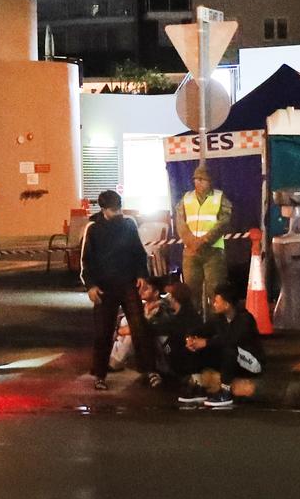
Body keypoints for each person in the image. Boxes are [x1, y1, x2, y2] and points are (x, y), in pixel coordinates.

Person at [81, 190, 158, 390]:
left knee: (139, 326)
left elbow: (138, 253)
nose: (117, 213)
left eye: (118, 208)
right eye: (113, 210)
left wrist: (141, 275)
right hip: (105, 288)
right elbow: (86, 261)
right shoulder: (93, 228)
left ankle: (149, 370)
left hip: (128, 283)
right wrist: (90, 286)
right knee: (103, 331)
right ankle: (100, 374)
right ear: (104, 209)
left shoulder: (129, 224)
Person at [172, 285, 265, 408]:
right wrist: (191, 338)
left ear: (227, 304)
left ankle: (226, 392)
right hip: (233, 361)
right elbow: (201, 329)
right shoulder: (219, 319)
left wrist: (206, 342)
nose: (214, 304)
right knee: (196, 347)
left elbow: (232, 340)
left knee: (229, 350)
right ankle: (198, 386)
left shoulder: (245, 319)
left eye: (216, 302)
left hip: (252, 362)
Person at [176, 165, 231, 320]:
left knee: (216, 292)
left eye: (202, 179)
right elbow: (180, 222)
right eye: (195, 179)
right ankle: (194, 328)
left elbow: (224, 221)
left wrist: (205, 239)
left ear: (210, 181)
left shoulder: (220, 198)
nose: (198, 182)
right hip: (190, 253)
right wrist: (190, 241)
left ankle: (217, 330)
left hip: (213, 252)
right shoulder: (186, 199)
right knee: (190, 292)